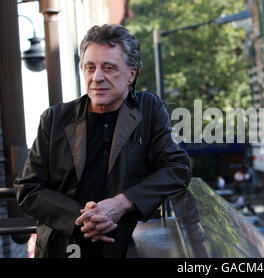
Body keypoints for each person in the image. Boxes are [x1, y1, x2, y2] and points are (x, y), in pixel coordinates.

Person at [14, 24, 193, 258]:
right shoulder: (55, 118)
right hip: (61, 248)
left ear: (131, 74)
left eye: (108, 68)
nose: (96, 78)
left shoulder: (148, 109)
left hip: (121, 247)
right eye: (90, 67)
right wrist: (83, 218)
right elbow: (27, 188)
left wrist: (122, 203)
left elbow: (178, 168)